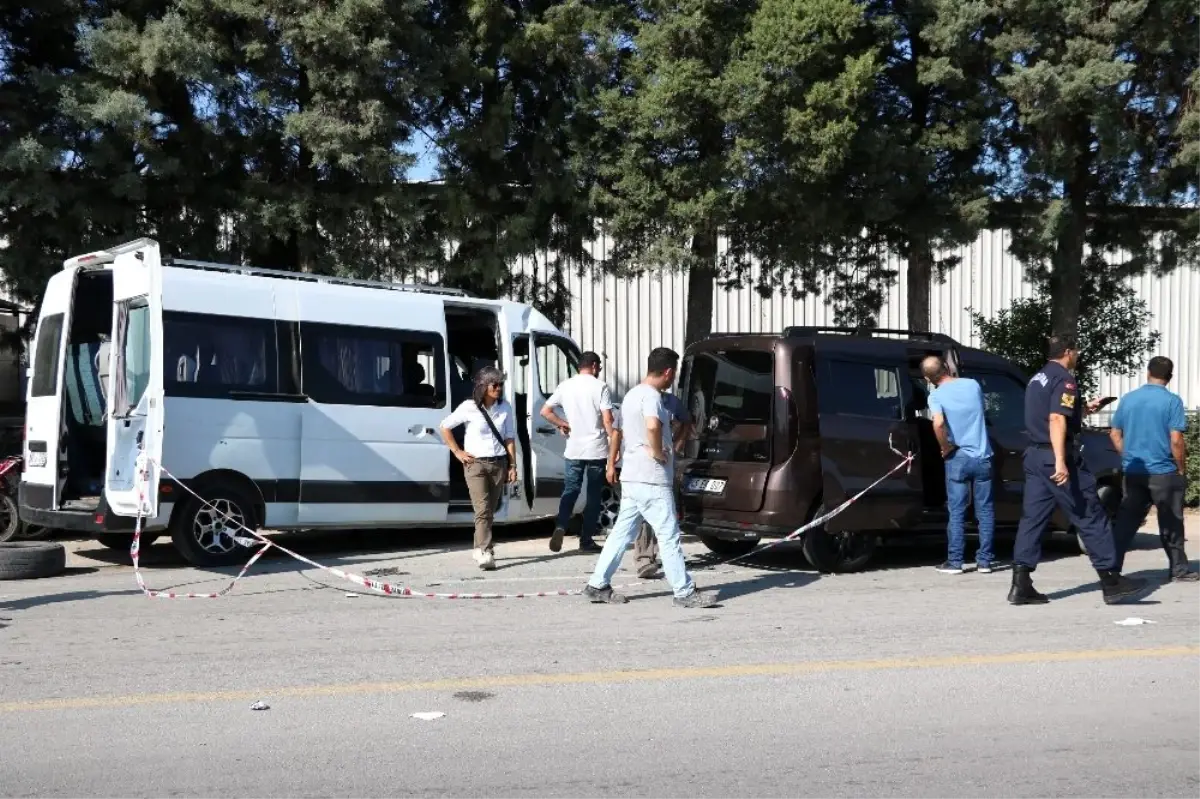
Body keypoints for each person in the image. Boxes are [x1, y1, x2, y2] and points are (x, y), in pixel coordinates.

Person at [1008, 333, 1146, 605]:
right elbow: (1057, 418)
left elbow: (1055, 414)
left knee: (1032, 519)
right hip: (1056, 457)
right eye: (1077, 351)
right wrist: (1061, 460)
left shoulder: (1038, 378)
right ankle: (1111, 580)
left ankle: (1020, 583)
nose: (1078, 355)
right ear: (1068, 352)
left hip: (1035, 456)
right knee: (1090, 514)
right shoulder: (1065, 379)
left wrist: (1084, 409)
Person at [584, 347, 715, 608]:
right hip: (652, 478)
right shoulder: (653, 397)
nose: (672, 379)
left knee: (622, 533)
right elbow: (654, 425)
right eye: (673, 374)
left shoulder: (632, 394)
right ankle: (684, 592)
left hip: (632, 476)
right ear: (667, 372)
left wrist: (614, 461)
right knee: (668, 534)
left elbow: (619, 432)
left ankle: (597, 583)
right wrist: (658, 453)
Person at [1109, 356, 1196, 582]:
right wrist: (1181, 469)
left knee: (1126, 522)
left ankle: (1112, 568)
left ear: (1148, 372)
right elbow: (1176, 440)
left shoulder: (1128, 399)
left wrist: (1127, 456)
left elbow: (1115, 434)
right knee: (1171, 522)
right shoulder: (1172, 401)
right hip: (1163, 472)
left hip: (1134, 471)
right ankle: (1178, 570)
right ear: (1170, 377)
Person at [922, 356, 995, 575]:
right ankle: (985, 562)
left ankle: (955, 562)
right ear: (946, 368)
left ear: (927, 378)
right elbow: (983, 410)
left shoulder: (935, 395)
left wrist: (944, 446)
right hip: (983, 456)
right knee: (986, 510)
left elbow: (938, 423)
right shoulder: (972, 385)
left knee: (957, 511)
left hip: (958, 458)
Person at [439, 366, 518, 571]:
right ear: (483, 386)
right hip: (475, 464)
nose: (499, 388)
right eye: (495, 384)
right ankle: (485, 550)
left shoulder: (505, 408)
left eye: (501, 384)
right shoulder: (469, 407)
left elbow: (509, 438)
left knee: (489, 510)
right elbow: (445, 426)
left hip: (498, 463)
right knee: (482, 509)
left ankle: (479, 547)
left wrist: (513, 465)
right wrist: (458, 452)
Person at [540, 351, 614, 553]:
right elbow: (607, 419)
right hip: (596, 449)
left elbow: (545, 411)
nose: (599, 370)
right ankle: (586, 540)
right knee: (593, 496)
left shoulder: (566, 386)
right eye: (598, 366)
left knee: (571, 489)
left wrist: (562, 424)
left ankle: (561, 525)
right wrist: (614, 439)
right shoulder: (600, 387)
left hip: (574, 448)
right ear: (594, 365)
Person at [629, 392, 693, 579]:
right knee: (644, 515)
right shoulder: (638, 398)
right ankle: (644, 559)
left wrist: (678, 444)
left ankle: (668, 560)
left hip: (667, 467)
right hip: (643, 467)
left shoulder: (671, 401)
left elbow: (687, 420)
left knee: (666, 516)